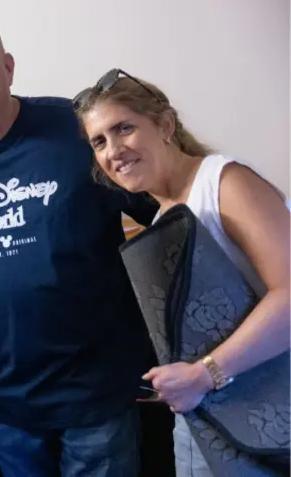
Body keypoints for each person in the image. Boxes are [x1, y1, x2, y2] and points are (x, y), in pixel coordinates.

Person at [0, 17, 161, 476]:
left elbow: (164, 206)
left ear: (8, 67)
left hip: (96, 393)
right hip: (6, 403)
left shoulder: (76, 129)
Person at [72, 68, 290, 476]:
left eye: (124, 128)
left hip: (271, 407)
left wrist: (205, 373)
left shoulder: (224, 183)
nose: (114, 150)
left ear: (165, 125)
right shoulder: (163, 219)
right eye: (99, 141)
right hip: (214, 416)